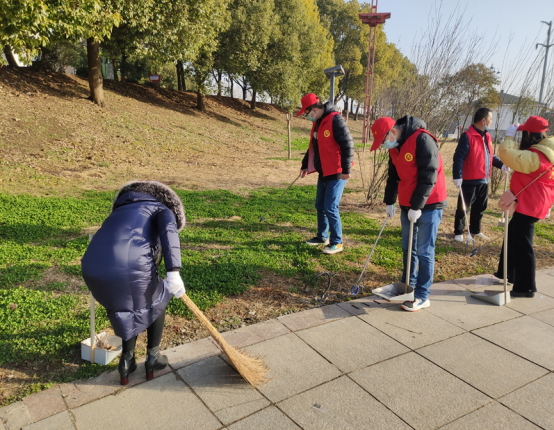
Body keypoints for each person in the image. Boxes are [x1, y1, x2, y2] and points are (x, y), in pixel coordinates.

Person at [81, 181, 187, 385]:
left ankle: (126, 360)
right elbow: (169, 232)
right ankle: (153, 357)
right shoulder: (163, 208)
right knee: (158, 299)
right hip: (130, 263)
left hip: (92, 268)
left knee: (128, 307)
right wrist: (173, 272)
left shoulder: (121, 210)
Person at [372, 116, 448, 312]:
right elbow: (393, 176)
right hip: (408, 204)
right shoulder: (395, 147)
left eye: (383, 140)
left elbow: (429, 174)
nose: (383, 145)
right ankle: (408, 286)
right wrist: (390, 201)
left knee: (424, 250)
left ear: (392, 132)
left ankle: (422, 295)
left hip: (430, 203)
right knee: (408, 247)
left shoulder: (422, 139)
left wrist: (417, 206)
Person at [495, 116, 554, 297]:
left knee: (523, 246)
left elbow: (506, 154)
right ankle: (508, 272)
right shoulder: (547, 151)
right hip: (535, 202)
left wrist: (509, 137)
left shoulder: (536, 157)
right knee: (513, 235)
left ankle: (525, 287)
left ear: (529, 134)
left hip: (529, 205)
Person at [298, 93, 354, 255]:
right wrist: (305, 165)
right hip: (324, 171)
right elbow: (313, 147)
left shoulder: (336, 120)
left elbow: (348, 144)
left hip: (337, 172)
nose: (307, 117)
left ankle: (337, 242)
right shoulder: (318, 122)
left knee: (330, 207)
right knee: (320, 205)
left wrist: (346, 169)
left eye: (307, 113)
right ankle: (322, 236)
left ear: (313, 110)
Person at [452, 107, 509, 242]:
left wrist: (501, 165)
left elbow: (490, 155)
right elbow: (459, 157)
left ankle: (475, 230)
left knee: (480, 207)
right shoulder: (467, 136)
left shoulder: (487, 136)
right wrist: (457, 175)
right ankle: (459, 232)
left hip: (484, 179)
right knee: (463, 207)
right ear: (483, 120)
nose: (491, 121)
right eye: (490, 119)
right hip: (470, 180)